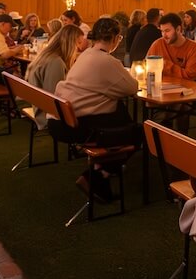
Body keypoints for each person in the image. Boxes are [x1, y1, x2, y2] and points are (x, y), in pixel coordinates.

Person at [54, 17, 142, 204]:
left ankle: (100, 171)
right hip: (78, 126)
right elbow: (132, 88)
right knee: (138, 133)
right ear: (116, 38)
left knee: (119, 112)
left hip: (62, 120)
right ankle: (98, 175)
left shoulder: (86, 54)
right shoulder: (106, 60)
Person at [26, 24, 83, 94]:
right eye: (79, 43)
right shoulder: (56, 62)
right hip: (39, 99)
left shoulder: (48, 55)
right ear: (69, 43)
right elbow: (53, 94)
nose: (80, 48)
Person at [146, 12, 196, 80]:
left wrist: (164, 65)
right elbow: (147, 69)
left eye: (167, 31)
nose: (164, 35)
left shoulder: (194, 48)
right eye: (162, 31)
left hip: (187, 86)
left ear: (178, 29)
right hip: (162, 85)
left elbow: (190, 76)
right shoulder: (157, 44)